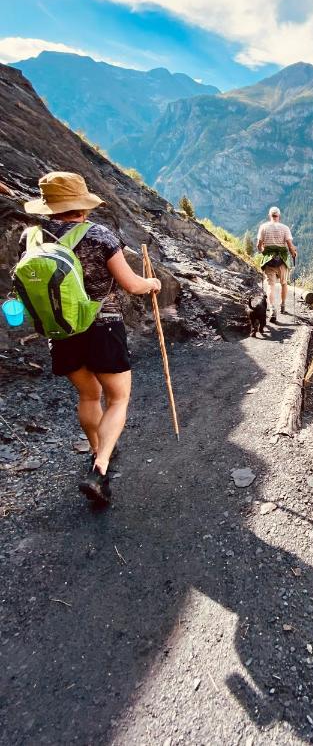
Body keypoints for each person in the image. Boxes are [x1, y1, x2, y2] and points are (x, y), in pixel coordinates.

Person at [20, 172, 162, 504]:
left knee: (88, 396)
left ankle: (97, 450)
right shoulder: (100, 235)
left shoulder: (31, 238)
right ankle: (99, 469)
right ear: (82, 205)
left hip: (61, 331)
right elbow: (131, 284)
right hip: (103, 328)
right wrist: (153, 284)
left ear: (49, 207)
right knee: (118, 399)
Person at [256, 206, 297, 323]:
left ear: (270, 215)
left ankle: (272, 309)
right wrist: (294, 253)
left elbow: (259, 246)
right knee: (284, 283)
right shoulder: (285, 228)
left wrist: (264, 250)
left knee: (271, 285)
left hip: (269, 261)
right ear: (279, 216)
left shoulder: (263, 227)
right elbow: (290, 246)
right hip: (282, 261)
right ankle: (283, 306)